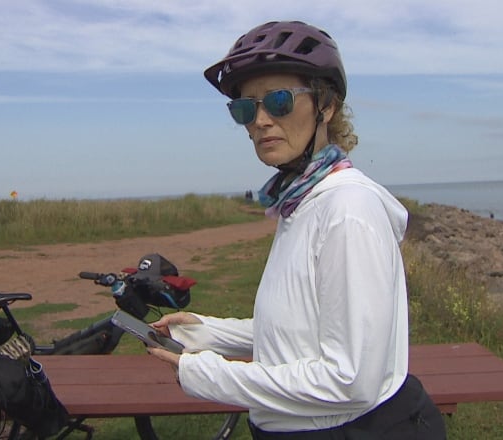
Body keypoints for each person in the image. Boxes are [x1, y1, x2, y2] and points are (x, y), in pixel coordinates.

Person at [147, 20, 446, 439]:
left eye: (279, 101)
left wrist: (210, 375)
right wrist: (209, 332)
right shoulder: (301, 202)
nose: (261, 121)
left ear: (326, 106)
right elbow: (301, 328)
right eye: (245, 108)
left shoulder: (347, 210)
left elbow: (351, 380)